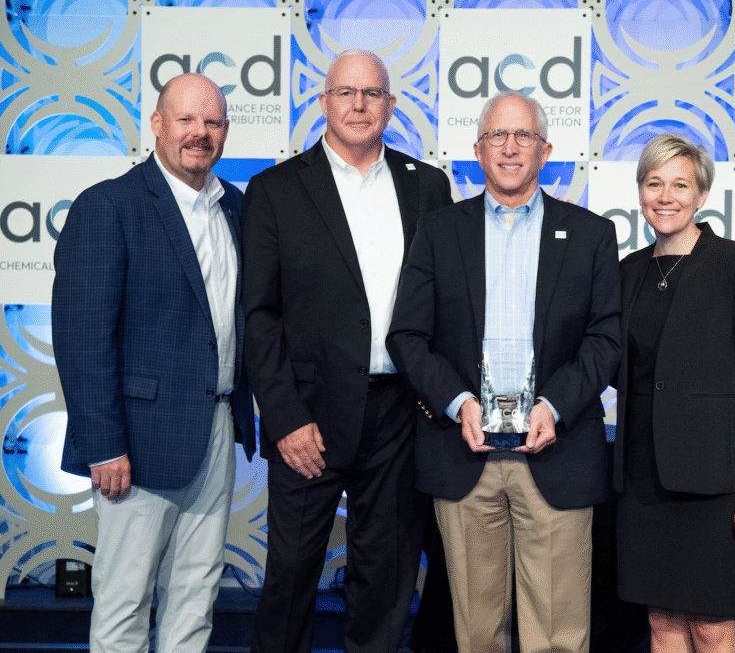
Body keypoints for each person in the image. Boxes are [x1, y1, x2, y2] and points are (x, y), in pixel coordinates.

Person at [386, 90, 621, 653]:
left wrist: (554, 406)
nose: (510, 148)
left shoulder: (590, 234)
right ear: (477, 149)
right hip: (464, 455)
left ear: (546, 151)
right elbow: (407, 337)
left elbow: (606, 339)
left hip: (556, 453)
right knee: (477, 635)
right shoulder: (440, 231)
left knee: (559, 637)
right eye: (498, 135)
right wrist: (458, 402)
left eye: (524, 137)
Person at [242, 49, 454, 653]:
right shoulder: (276, 189)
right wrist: (284, 419)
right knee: (290, 579)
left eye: (372, 94)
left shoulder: (428, 187)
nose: (359, 105)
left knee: (385, 584)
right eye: (346, 93)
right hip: (308, 418)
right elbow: (259, 316)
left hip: (400, 415)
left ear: (390, 104)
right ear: (323, 102)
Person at [52, 73, 257, 653]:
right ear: (158, 124)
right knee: (124, 602)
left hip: (216, 427)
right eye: (187, 120)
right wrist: (103, 444)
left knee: (196, 596)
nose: (200, 133)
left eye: (212, 122)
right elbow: (83, 337)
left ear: (225, 132)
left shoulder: (236, 209)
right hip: (135, 444)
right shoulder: (108, 206)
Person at [613, 133, 735, 653]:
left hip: (717, 487)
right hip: (643, 483)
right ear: (640, 191)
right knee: (662, 622)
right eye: (654, 183)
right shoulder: (625, 273)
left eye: (680, 184)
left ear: (702, 193)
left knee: (711, 626)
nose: (666, 196)